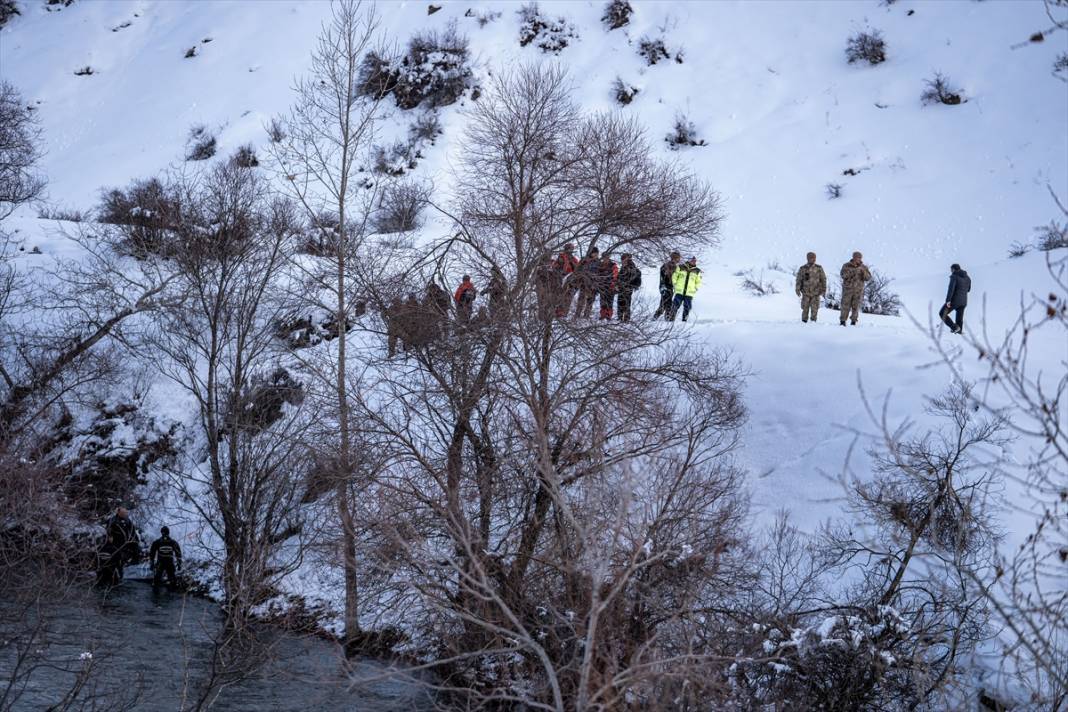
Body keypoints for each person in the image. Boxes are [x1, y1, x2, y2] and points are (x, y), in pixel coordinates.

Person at [839, 251, 872, 326]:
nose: (858, 259)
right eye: (856, 257)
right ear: (853, 257)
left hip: (858, 291)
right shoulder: (846, 265)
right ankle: (843, 321)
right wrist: (851, 271)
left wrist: (863, 271)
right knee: (845, 305)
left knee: (856, 307)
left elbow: (868, 278)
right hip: (847, 290)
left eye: (860, 257)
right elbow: (843, 275)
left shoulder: (863, 267)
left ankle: (853, 321)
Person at [794, 252, 827, 323]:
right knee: (805, 308)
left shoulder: (819, 268)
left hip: (816, 293)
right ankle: (804, 322)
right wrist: (797, 289)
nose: (813, 259)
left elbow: (823, 279)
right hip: (806, 292)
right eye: (811, 258)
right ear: (808, 258)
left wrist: (824, 289)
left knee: (815, 309)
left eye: (814, 258)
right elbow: (799, 279)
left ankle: (813, 323)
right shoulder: (803, 268)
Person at [551, 243, 581, 318]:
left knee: (568, 296)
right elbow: (554, 266)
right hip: (560, 277)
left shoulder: (574, 259)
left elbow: (578, 269)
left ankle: (563, 312)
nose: (569, 250)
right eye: (568, 248)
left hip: (570, 279)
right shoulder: (561, 256)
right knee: (558, 294)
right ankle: (557, 311)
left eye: (571, 249)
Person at [149, 526, 182, 592]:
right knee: (172, 580)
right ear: (168, 533)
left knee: (156, 581)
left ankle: (156, 597)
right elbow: (178, 554)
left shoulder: (157, 542)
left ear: (161, 533)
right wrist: (179, 564)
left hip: (160, 563)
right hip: (170, 564)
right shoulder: (173, 542)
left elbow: (152, 553)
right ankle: (171, 594)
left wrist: (152, 563)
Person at [669, 256, 702, 322]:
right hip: (679, 291)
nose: (693, 262)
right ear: (689, 260)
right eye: (692, 260)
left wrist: (696, 288)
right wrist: (675, 284)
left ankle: (684, 320)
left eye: (694, 261)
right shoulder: (680, 267)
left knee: (687, 307)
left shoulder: (697, 271)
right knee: (675, 305)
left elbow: (698, 281)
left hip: (689, 293)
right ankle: (671, 319)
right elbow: (674, 276)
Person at [940, 263, 971, 334]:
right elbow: (968, 289)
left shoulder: (954, 276)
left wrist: (948, 300)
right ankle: (959, 332)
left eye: (951, 269)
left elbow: (951, 289)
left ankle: (954, 327)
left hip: (955, 300)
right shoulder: (968, 278)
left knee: (942, 313)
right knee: (959, 318)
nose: (951, 271)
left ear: (953, 269)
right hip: (964, 301)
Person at [573, 248, 601, 319]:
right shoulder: (585, 260)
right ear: (591, 253)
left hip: (593, 283)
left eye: (597, 253)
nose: (596, 255)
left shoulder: (599, 262)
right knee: (581, 299)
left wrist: (596, 283)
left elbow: (600, 273)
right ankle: (577, 314)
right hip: (584, 282)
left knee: (590, 300)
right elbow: (578, 269)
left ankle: (586, 316)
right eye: (595, 253)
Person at [653, 252, 681, 319]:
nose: (679, 259)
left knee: (665, 304)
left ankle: (661, 317)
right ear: (675, 258)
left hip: (670, 287)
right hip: (665, 287)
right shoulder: (667, 266)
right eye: (678, 258)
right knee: (666, 303)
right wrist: (663, 287)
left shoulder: (676, 267)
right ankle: (666, 318)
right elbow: (663, 277)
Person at [617, 253, 642, 323]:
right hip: (621, 288)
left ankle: (626, 319)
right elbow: (620, 277)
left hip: (627, 288)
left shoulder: (631, 267)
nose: (622, 261)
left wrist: (630, 286)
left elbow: (633, 278)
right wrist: (617, 284)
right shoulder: (624, 267)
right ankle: (620, 318)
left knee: (626, 303)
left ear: (628, 259)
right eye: (622, 259)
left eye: (623, 259)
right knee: (620, 303)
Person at [595, 252, 619, 320]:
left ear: (609, 257)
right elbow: (597, 275)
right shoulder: (600, 265)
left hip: (610, 286)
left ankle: (608, 315)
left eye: (607, 257)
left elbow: (615, 274)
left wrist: (613, 283)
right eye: (604, 257)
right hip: (602, 286)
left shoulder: (613, 265)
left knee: (609, 301)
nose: (605, 259)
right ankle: (603, 315)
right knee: (602, 301)